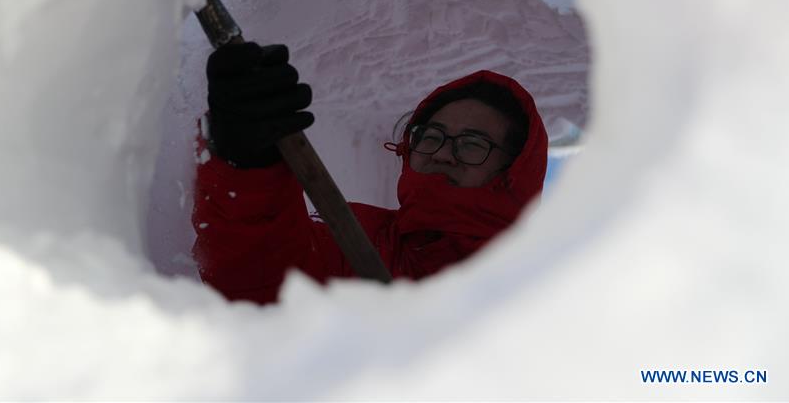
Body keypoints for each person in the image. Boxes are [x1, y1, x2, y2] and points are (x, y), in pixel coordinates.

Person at [191, 42, 548, 304]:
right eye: (432, 136)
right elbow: (262, 284)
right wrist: (248, 161)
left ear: (512, 172)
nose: (442, 153)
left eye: (471, 143)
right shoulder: (356, 235)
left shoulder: (547, 288)